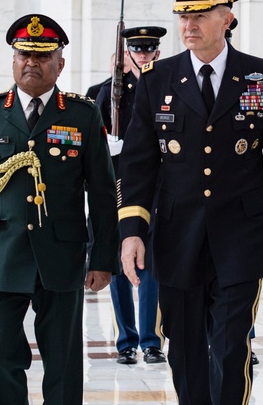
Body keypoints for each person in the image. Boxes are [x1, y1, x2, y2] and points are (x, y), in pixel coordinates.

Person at [118, 0, 263, 405]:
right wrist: (131, 229)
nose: (189, 25)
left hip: (241, 234)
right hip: (175, 234)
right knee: (182, 347)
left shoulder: (261, 77)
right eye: (183, 15)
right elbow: (138, 164)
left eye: (200, 14)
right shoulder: (156, 80)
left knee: (229, 344)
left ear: (227, 18)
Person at [0, 14, 118, 405]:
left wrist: (103, 258)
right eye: (24, 54)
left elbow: (101, 190)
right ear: (12, 60)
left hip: (61, 255)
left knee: (63, 360)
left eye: (43, 56)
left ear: (60, 64)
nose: (32, 62)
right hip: (0, 255)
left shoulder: (82, 113)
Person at [95, 26, 168, 365]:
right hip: (115, 183)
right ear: (128, 54)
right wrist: (107, 147)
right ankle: (126, 339)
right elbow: (94, 136)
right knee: (119, 262)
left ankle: (152, 340)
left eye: (148, 49)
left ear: (156, 52)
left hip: (153, 185)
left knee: (152, 260)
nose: (142, 55)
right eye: (137, 49)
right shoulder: (108, 92)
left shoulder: (165, 85)